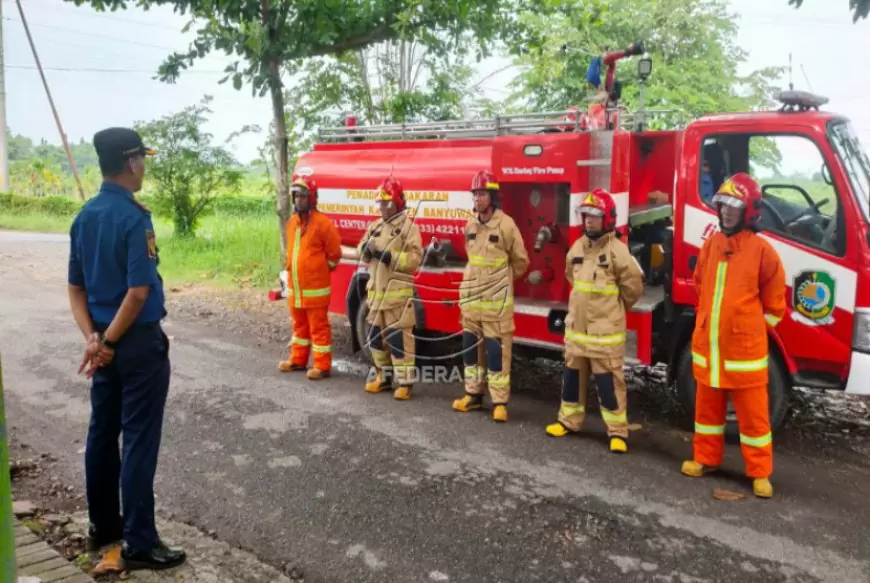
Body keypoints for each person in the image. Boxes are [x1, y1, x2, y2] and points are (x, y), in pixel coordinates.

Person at [67, 127, 186, 570]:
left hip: (104, 340)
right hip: (133, 343)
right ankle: (139, 541)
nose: (144, 167)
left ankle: (104, 525)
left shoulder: (85, 217)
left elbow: (75, 288)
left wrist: (93, 341)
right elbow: (138, 293)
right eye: (142, 159)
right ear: (132, 162)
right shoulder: (135, 219)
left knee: (102, 432)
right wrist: (109, 343)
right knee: (137, 438)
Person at [681, 173, 786, 498]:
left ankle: (759, 472)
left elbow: (775, 302)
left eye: (733, 206)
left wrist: (751, 327)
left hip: (745, 354)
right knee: (708, 414)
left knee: (754, 419)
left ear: (749, 211)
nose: (726, 211)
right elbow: (700, 284)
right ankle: (705, 459)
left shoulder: (762, 251)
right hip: (710, 350)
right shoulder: (711, 244)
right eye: (722, 205)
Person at [545, 189, 644, 453]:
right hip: (577, 332)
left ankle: (617, 432)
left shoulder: (618, 251)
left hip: (604, 335)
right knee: (571, 380)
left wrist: (610, 312)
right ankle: (568, 421)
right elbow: (571, 278)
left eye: (596, 216)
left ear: (608, 219)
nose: (589, 220)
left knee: (609, 384)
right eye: (586, 215)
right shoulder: (577, 247)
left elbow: (632, 288)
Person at [452, 170, 530, 422]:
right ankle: (473, 396)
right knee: (470, 353)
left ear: (493, 196)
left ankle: (499, 402)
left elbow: (521, 262)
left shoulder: (506, 225)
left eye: (482, 194)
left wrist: (502, 282)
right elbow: (471, 259)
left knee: (497, 355)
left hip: (496, 307)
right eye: (475, 194)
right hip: (472, 304)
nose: (477, 199)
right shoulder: (470, 225)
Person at [358, 177, 423, 399]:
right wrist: (365, 250)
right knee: (375, 339)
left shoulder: (409, 228)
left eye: (387, 203)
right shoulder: (374, 226)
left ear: (397, 202)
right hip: (376, 298)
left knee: (399, 341)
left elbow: (415, 260)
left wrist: (390, 257)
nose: (383, 208)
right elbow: (361, 249)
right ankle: (383, 378)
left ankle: (405, 384)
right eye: (380, 204)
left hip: (397, 299)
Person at [278, 174, 342, 380]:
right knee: (299, 328)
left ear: (312, 198)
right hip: (295, 289)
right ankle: (298, 360)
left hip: (315, 289)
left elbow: (334, 255)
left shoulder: (323, 224)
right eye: (296, 196)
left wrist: (318, 272)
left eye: (303, 196)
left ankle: (322, 366)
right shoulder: (291, 223)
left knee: (318, 329)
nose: (298, 200)